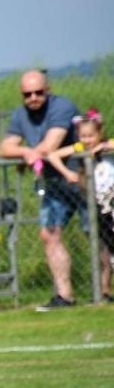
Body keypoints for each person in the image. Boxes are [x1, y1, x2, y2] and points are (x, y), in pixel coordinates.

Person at [0, 70, 82, 309]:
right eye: (27, 94)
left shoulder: (62, 107)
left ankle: (104, 291)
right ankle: (65, 295)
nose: (33, 98)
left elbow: (51, 144)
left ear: (48, 89)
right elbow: (4, 148)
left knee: (97, 232)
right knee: (49, 235)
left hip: (81, 177)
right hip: (54, 183)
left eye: (38, 92)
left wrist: (33, 151)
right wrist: (26, 152)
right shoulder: (20, 114)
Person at [73, 110, 113, 301]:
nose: (87, 140)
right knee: (104, 252)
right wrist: (68, 173)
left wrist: (103, 145)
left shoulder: (107, 150)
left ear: (99, 133)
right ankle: (103, 292)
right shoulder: (82, 154)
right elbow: (55, 154)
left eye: (91, 135)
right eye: (83, 136)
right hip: (100, 211)